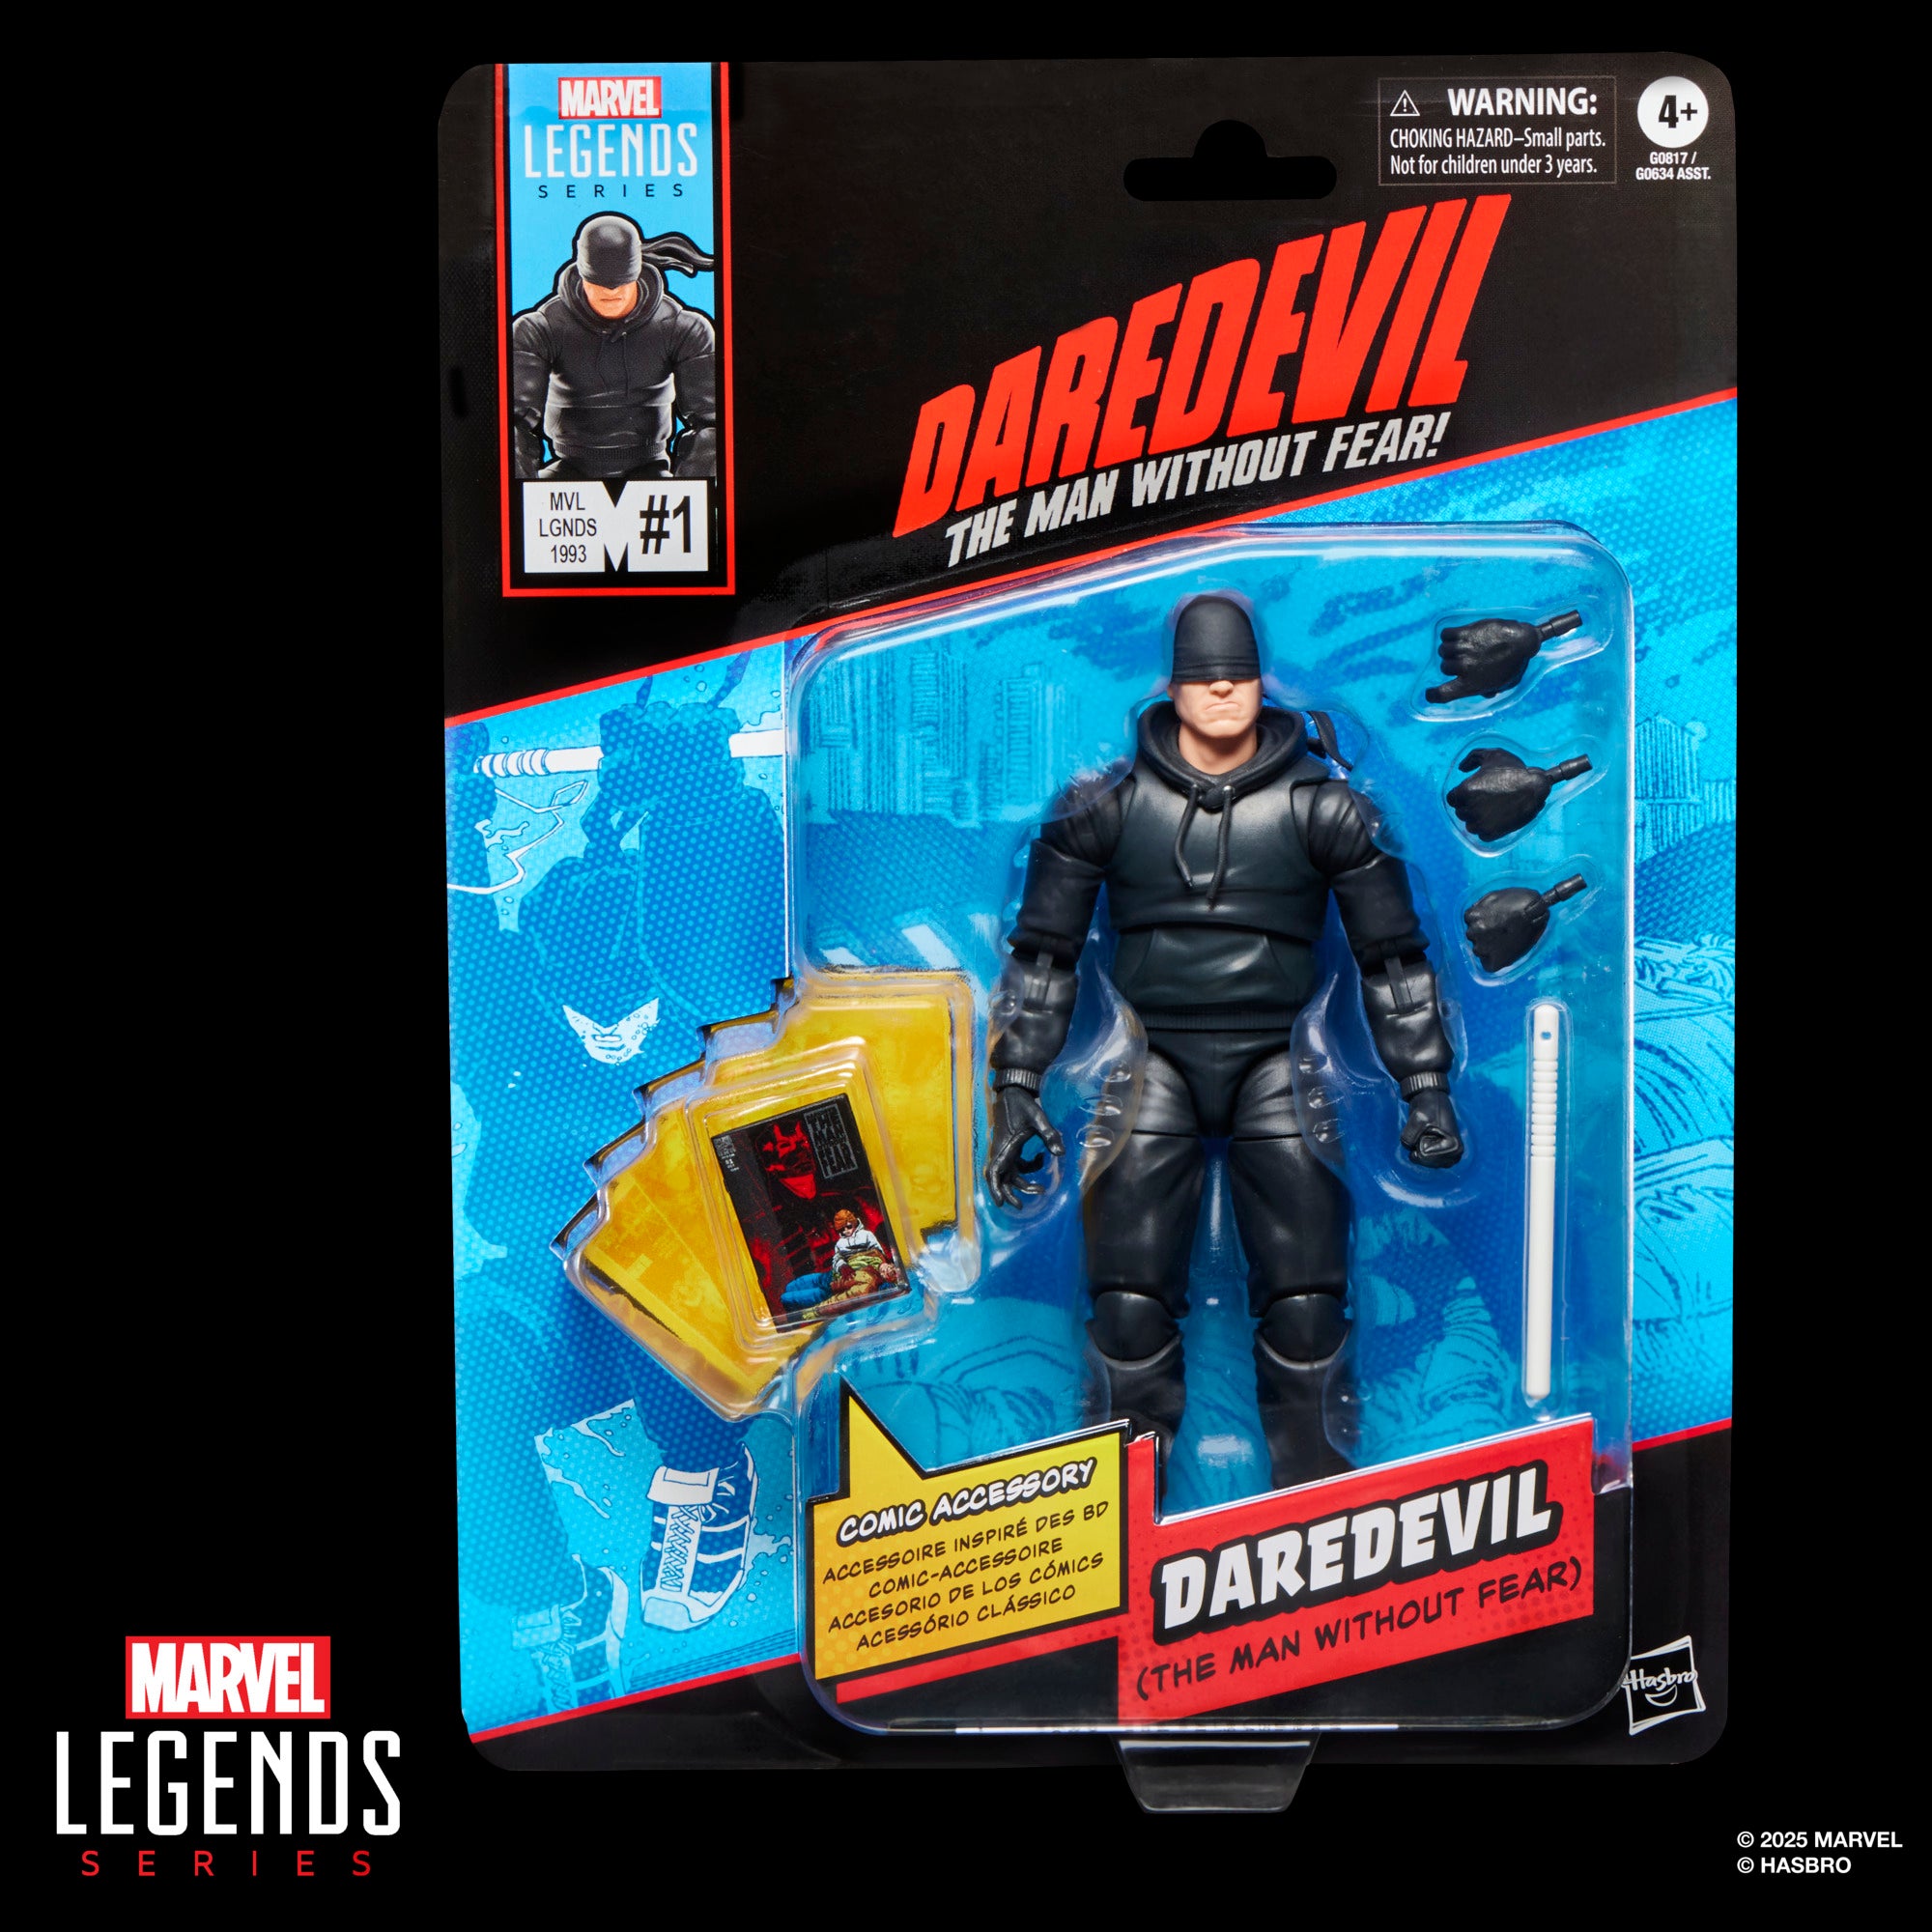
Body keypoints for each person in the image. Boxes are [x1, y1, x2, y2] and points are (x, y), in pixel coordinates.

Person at [982, 595, 1464, 1492]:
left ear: (1259, 683)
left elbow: (1394, 958)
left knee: (1309, 1304)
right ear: (1171, 687)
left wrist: (1424, 1085)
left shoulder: (1326, 808)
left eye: (1237, 676)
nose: (1220, 693)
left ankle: (1315, 1506)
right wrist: (1017, 1083)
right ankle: (1120, 1515)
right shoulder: (1106, 806)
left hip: (1277, 1060)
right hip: (1151, 1060)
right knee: (1126, 1307)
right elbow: (1043, 955)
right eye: (1204, 677)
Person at [511, 213, 717, 482]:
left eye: (621, 282)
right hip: (569, 469)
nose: (611, 291)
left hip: (649, 470)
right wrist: (524, 495)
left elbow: (713, 422)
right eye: (599, 283)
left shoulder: (683, 327)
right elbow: (510, 421)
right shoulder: (539, 328)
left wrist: (686, 491)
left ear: (637, 272)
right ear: (582, 273)